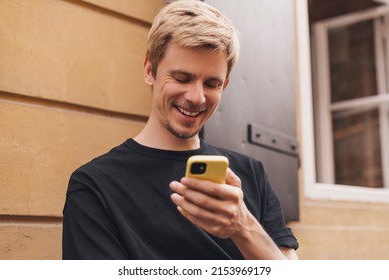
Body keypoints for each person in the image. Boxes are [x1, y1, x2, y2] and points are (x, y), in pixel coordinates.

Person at [62, 0, 299, 260]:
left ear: (226, 84)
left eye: (211, 83)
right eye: (182, 78)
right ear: (149, 70)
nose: (197, 97)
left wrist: (243, 227)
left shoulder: (252, 174)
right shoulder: (95, 185)